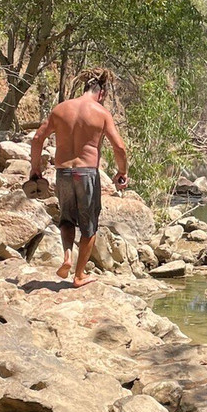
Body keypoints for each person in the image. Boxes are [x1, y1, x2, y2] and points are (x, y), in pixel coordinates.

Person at [30, 68, 129, 287]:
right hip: (86, 173)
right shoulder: (101, 113)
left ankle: (67, 256)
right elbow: (119, 147)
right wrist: (123, 172)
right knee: (89, 225)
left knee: (66, 219)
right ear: (101, 93)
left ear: (84, 87)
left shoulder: (60, 109)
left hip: (63, 172)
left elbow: (37, 139)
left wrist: (34, 169)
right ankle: (79, 275)